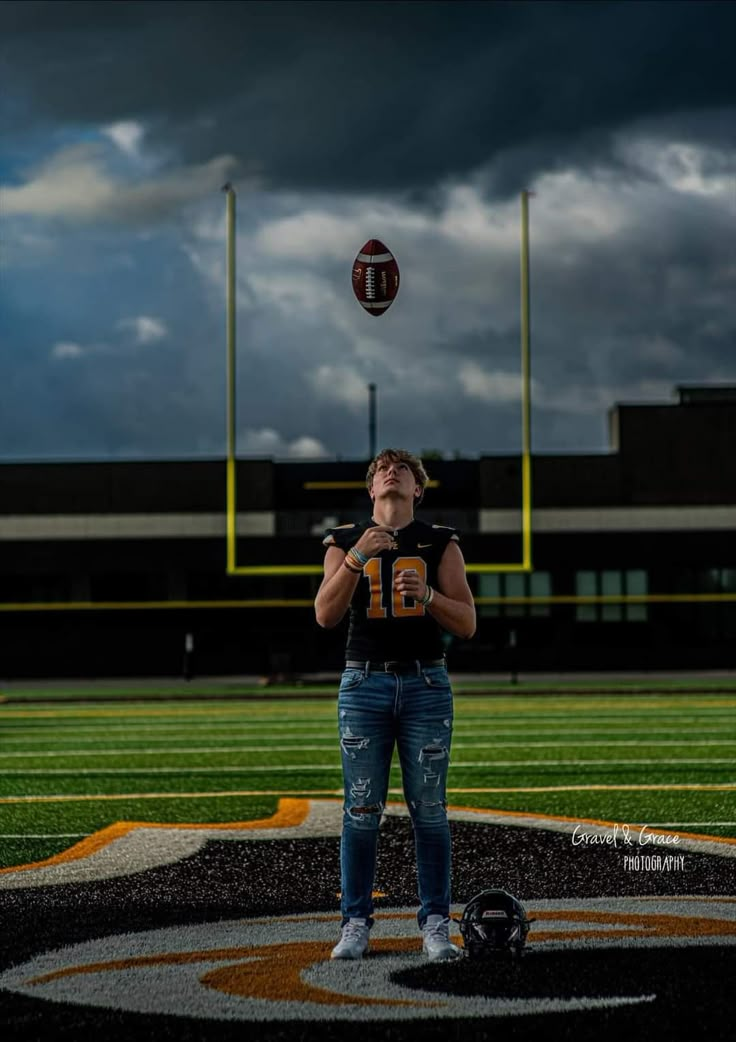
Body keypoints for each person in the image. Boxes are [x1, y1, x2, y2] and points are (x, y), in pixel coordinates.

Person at [314, 448, 476, 961]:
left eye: (402, 470)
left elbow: (467, 622)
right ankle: (355, 922)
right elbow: (324, 614)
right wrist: (358, 557)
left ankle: (434, 923)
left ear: (417, 490)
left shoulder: (439, 542)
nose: (391, 472)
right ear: (371, 489)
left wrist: (428, 596)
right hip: (364, 684)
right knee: (361, 809)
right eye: (383, 469)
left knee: (429, 810)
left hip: (426, 683)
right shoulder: (343, 541)